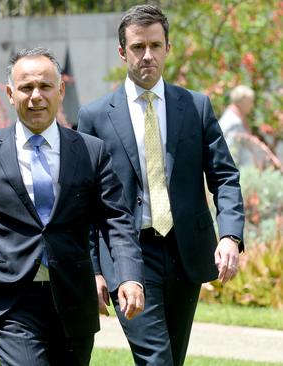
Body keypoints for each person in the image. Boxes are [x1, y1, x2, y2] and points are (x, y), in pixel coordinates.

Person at [0, 47, 145, 366]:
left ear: (61, 90)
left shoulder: (91, 152)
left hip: (73, 299)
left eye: (44, 86)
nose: (36, 96)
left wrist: (128, 276)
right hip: (9, 300)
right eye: (26, 88)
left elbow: (118, 221)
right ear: (11, 94)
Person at [77, 5, 245, 366]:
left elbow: (225, 176)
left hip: (186, 252)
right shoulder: (94, 117)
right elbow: (83, 201)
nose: (147, 55)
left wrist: (230, 235)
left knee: (171, 358)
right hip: (127, 254)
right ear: (123, 52)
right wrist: (93, 268)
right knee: (157, 360)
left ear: (168, 48)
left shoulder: (196, 106)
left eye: (156, 45)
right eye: (138, 47)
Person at [219, 85, 255, 165]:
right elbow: (231, 152)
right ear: (243, 101)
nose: (252, 105)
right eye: (250, 101)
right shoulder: (234, 121)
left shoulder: (235, 117)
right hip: (237, 172)